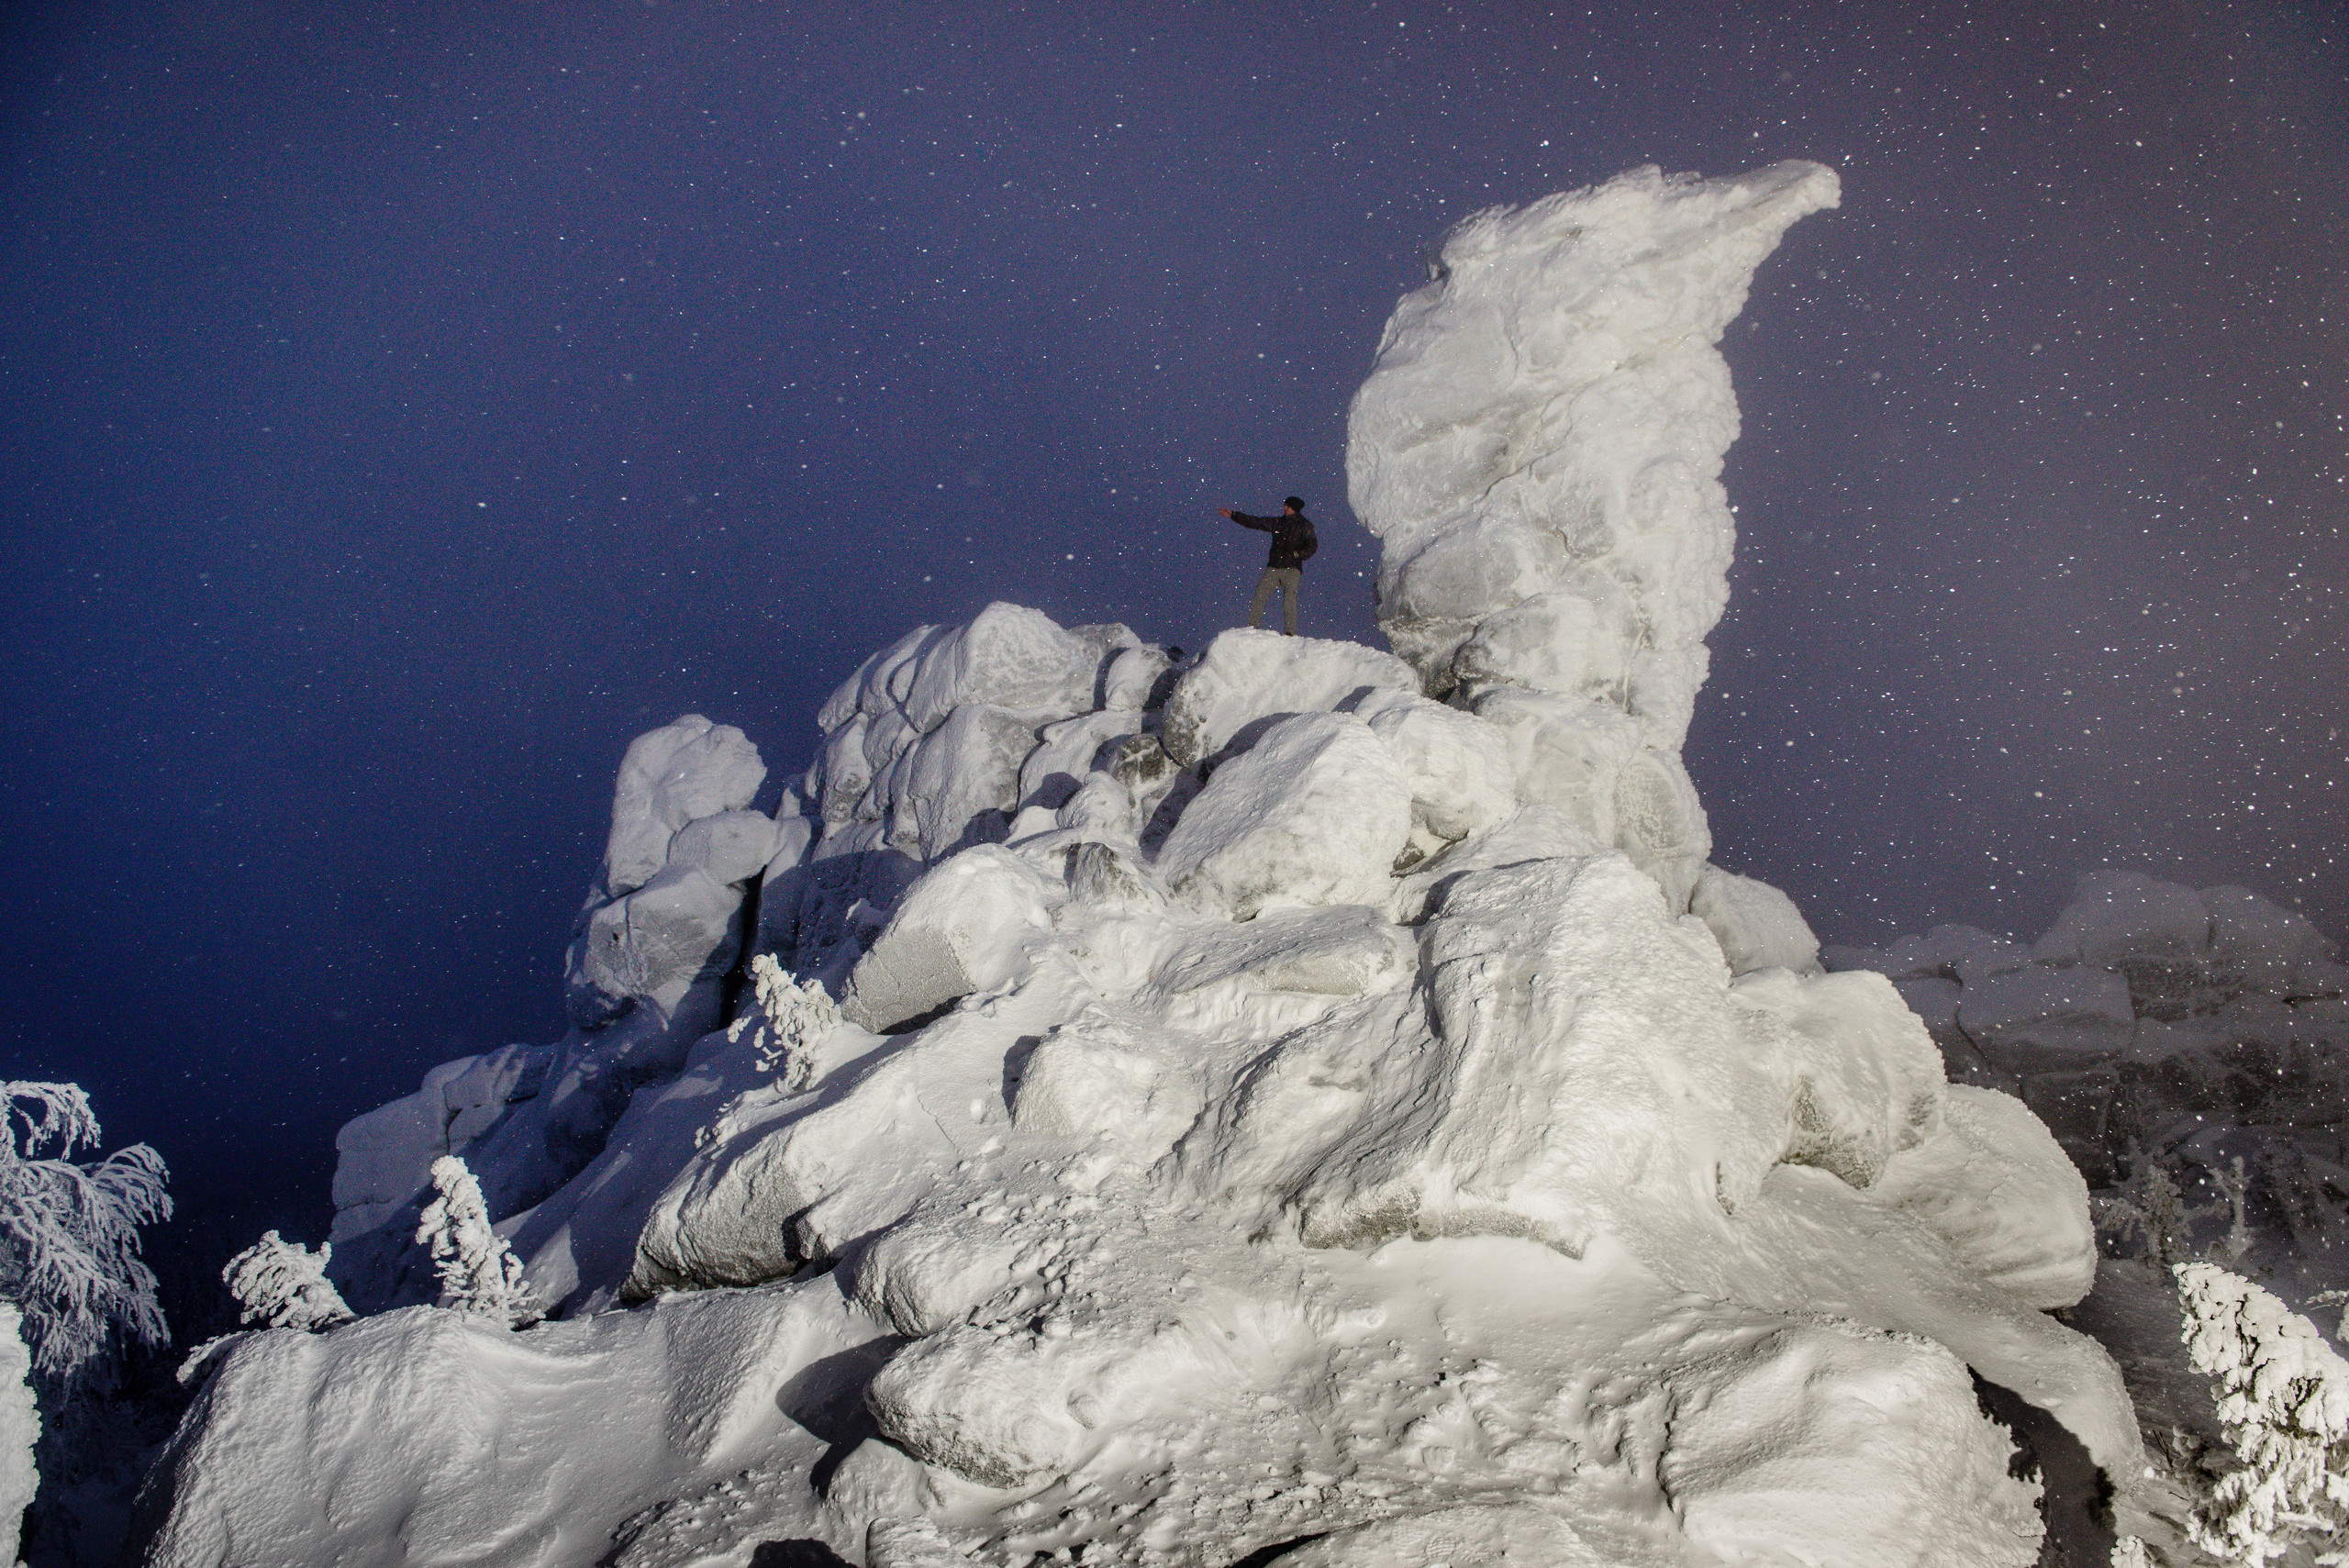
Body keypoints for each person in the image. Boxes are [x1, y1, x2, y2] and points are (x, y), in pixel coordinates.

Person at [1217, 495, 1317, 636]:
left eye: (1287, 506)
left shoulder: (1305, 525)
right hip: (1274, 567)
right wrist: (1234, 515)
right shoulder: (1278, 522)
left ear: (1294, 508)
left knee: (1289, 600)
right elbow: (1256, 522)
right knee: (1260, 596)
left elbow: (1312, 545)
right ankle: (1252, 628)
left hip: (1292, 569)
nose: (1284, 508)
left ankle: (1290, 633)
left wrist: (1298, 554)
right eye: (1285, 505)